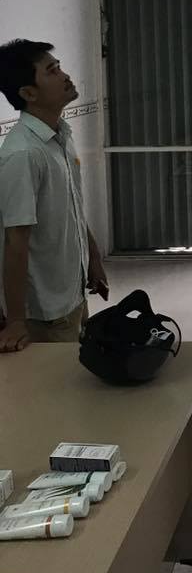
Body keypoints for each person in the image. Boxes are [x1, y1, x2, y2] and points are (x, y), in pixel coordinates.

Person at [0, 39, 109, 353]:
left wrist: (93, 259)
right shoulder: (23, 154)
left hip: (72, 293)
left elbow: (72, 206)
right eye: (52, 71)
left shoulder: (60, 135)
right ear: (29, 93)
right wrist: (16, 321)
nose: (65, 76)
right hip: (45, 312)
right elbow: (15, 241)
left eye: (59, 67)